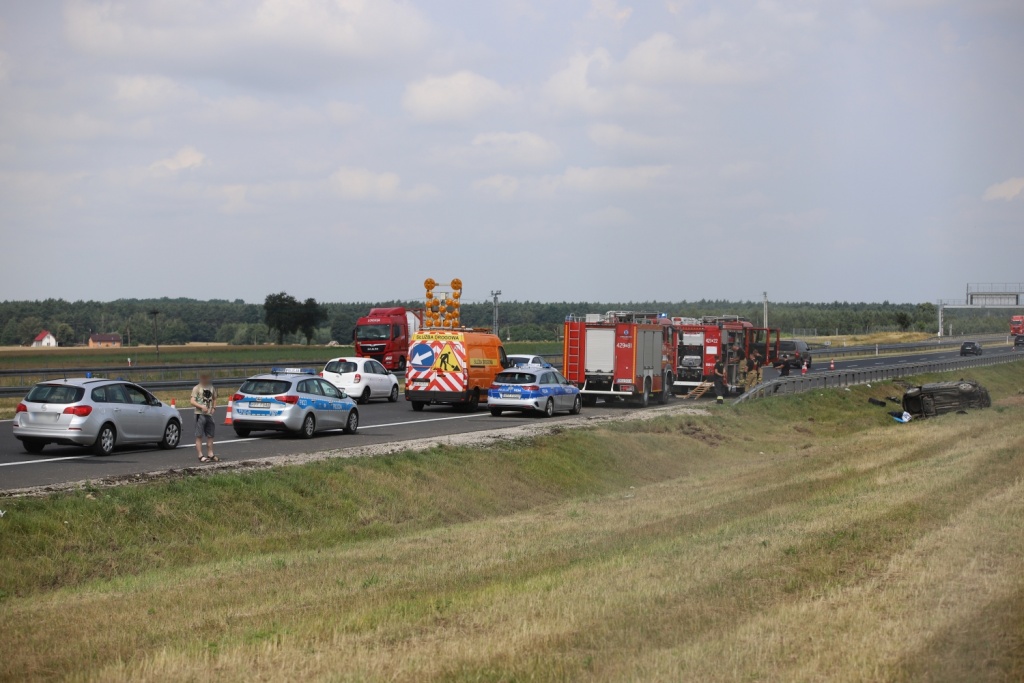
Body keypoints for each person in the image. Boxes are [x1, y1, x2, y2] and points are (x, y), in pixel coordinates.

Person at [190, 373, 219, 463]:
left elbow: (214, 398)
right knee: (199, 435)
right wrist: (201, 407)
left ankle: (210, 453)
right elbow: (192, 401)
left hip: (209, 415)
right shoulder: (197, 388)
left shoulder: (211, 387)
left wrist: (214, 407)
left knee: (210, 435)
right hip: (200, 414)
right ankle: (200, 455)